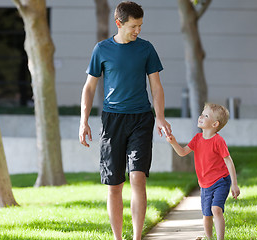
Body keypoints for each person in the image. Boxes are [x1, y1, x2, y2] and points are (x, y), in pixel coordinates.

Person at [79, 2, 171, 239]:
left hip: (141, 118)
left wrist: (160, 117)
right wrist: (84, 121)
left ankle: (137, 237)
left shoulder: (146, 49)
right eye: (133, 26)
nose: (137, 30)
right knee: (114, 186)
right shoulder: (101, 49)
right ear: (118, 23)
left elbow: (156, 87)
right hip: (113, 121)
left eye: (140, 26)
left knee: (137, 178)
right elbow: (89, 88)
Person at [166, 103, 240, 240]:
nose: (200, 116)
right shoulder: (197, 139)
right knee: (206, 215)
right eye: (202, 113)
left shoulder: (218, 141)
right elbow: (182, 152)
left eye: (205, 115)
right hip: (205, 184)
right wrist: (173, 142)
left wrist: (234, 184)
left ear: (214, 124)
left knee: (216, 209)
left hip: (221, 181)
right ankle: (209, 238)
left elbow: (228, 161)